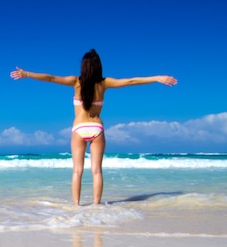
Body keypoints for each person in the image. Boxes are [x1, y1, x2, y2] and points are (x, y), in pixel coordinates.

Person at [10, 49, 177, 205]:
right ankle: (96, 206)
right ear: (99, 67)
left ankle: (76, 206)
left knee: (77, 171)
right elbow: (131, 81)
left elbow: (51, 78)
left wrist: (27, 74)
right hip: (97, 128)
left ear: (83, 66)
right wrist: (157, 78)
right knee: (97, 171)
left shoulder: (75, 82)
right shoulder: (104, 83)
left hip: (79, 129)